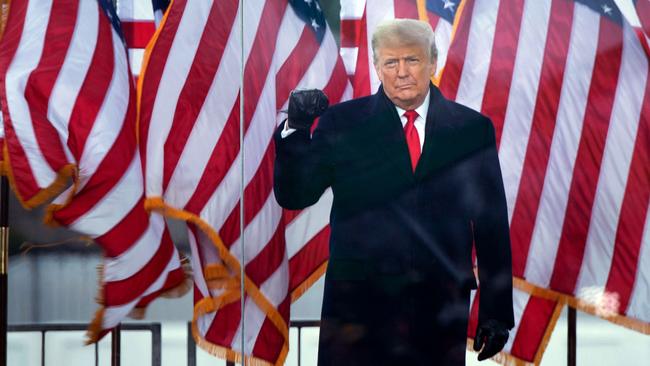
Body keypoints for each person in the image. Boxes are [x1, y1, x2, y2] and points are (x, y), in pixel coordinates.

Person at [274, 19, 514, 365]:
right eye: (391, 62)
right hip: (357, 317)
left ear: (433, 62)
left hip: (438, 314)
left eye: (412, 60)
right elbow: (295, 195)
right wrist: (295, 129)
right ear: (377, 66)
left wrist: (495, 313)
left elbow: (492, 226)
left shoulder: (472, 130)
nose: (402, 72)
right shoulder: (342, 124)